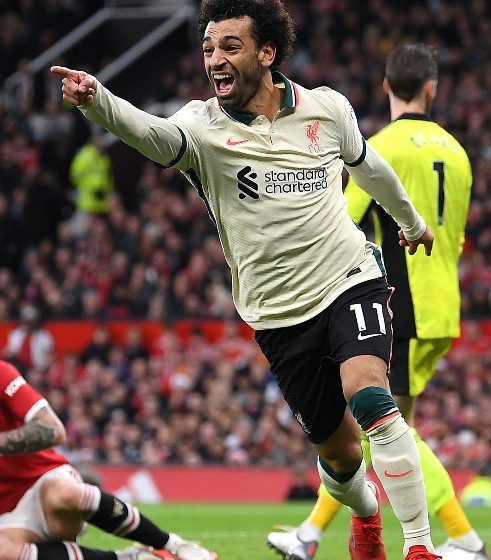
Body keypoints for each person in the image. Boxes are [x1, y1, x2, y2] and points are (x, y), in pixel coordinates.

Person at [50, 2, 439, 559]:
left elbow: (368, 166)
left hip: (349, 275)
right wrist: (99, 101)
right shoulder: (201, 127)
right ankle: (367, 515)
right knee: (342, 457)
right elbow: (153, 136)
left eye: (230, 46)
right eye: (208, 48)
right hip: (278, 313)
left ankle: (420, 547)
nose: (215, 59)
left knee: (372, 395)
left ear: (267, 52)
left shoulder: (327, 109)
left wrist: (412, 223)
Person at [267, 43, 488, 560]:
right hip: (443, 303)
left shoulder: (381, 147)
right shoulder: (457, 152)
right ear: (432, 88)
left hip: (401, 302)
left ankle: (464, 539)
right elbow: (457, 236)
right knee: (383, 428)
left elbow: (341, 219)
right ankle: (309, 534)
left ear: (387, 86)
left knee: (386, 426)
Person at [0, 359, 217, 560]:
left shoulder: (2, 373)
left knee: (64, 494)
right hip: (10, 517)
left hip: (43, 482)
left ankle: (173, 545)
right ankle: (131, 558)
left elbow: (54, 430)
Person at [5, 304, 54, 372]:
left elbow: (49, 355)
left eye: (31, 321)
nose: (29, 324)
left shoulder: (44, 336)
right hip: (18, 367)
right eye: (26, 321)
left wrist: (43, 369)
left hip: (38, 369)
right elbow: (11, 351)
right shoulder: (16, 334)